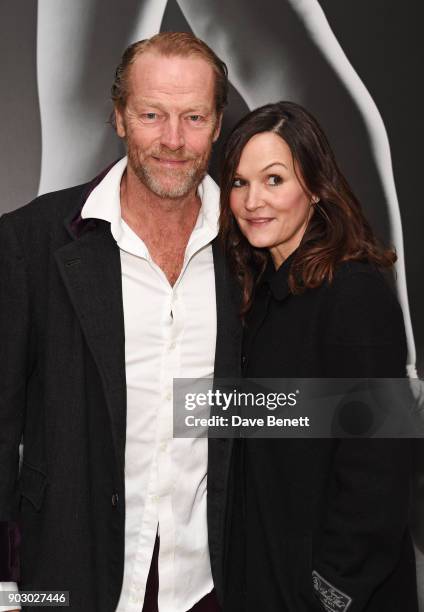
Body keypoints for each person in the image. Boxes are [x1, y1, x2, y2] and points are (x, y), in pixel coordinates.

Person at [0, 32, 242, 612]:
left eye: (193, 117)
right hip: (59, 577)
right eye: (152, 115)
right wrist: (8, 588)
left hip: (210, 584)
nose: (174, 140)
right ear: (119, 117)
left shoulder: (248, 250)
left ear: (217, 125)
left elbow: (274, 409)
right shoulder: (32, 241)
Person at [218, 101, 418, 611]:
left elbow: (380, 470)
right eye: (239, 183)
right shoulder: (258, 294)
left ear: (313, 186)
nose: (252, 201)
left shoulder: (355, 294)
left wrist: (330, 594)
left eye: (274, 179)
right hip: (262, 580)